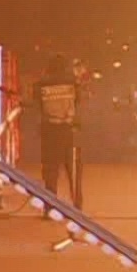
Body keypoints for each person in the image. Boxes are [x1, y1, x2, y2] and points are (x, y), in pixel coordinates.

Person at [35, 54, 81, 207]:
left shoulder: (42, 84)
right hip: (69, 131)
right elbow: (78, 102)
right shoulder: (72, 83)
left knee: (50, 171)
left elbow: (38, 106)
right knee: (73, 170)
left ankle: (50, 207)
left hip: (49, 131)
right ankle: (77, 207)